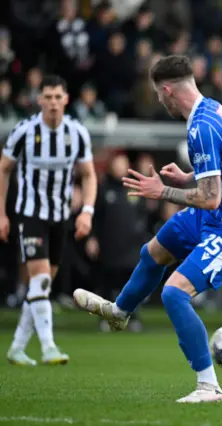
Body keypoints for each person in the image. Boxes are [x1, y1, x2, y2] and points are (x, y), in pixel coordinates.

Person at [73, 55, 222, 403]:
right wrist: (189, 176)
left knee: (174, 294)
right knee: (154, 252)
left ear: (166, 90)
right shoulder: (213, 109)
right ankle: (120, 312)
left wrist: (163, 191)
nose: (159, 101)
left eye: (158, 95)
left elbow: (209, 198)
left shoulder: (199, 127)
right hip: (218, 213)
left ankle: (209, 387)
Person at [0, 75, 97, 366]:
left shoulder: (77, 132)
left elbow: (89, 174)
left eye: (58, 97)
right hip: (30, 214)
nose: (53, 103)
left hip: (60, 217)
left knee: (39, 288)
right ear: (39, 99)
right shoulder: (24, 131)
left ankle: (17, 347)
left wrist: (87, 211)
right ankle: (48, 346)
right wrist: (2, 213)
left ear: (66, 99)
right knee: (40, 280)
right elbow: (3, 169)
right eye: (48, 97)